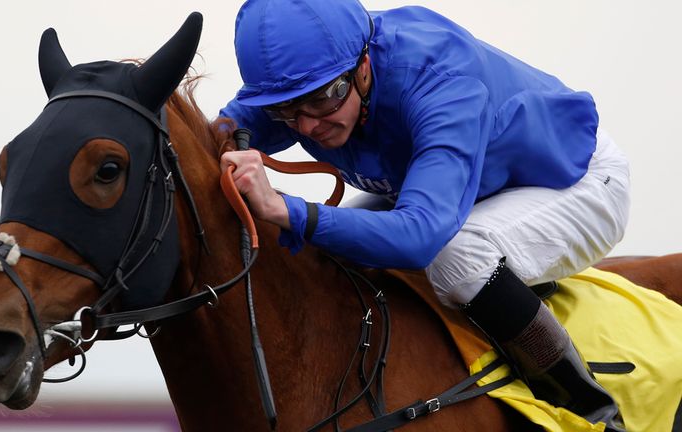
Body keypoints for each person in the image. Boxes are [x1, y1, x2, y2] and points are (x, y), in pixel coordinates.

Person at [218, 1, 629, 430]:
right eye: (284, 109)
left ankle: (594, 410)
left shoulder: (440, 82)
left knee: (457, 256)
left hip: (575, 180)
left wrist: (289, 210)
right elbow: (216, 134)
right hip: (462, 190)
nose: (305, 127)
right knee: (336, 259)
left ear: (363, 66)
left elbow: (419, 237)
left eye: (324, 99)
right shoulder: (309, 81)